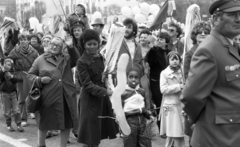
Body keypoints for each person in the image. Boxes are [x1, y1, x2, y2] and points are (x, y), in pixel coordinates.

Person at [181, 0, 240, 146]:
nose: (238, 19)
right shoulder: (209, 49)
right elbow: (191, 97)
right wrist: (196, 121)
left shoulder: (228, 45)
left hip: (229, 133)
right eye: (232, 15)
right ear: (215, 19)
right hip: (217, 136)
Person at [28, 36, 80, 147]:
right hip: (49, 96)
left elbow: (77, 59)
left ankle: (63, 146)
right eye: (53, 44)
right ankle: (41, 144)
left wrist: (71, 46)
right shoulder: (40, 59)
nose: (54, 46)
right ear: (49, 44)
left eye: (58, 45)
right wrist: (40, 80)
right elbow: (30, 75)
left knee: (66, 123)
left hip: (66, 96)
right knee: (45, 122)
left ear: (62, 48)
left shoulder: (66, 58)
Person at [77, 29, 117, 147]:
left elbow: (103, 74)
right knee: (90, 135)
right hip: (90, 100)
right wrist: (105, 91)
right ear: (84, 45)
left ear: (98, 44)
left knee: (97, 133)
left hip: (101, 98)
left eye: (95, 44)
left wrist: (108, 75)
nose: (92, 47)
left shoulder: (101, 57)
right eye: (89, 44)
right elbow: (87, 84)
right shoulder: (81, 61)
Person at [182, 21, 211, 142]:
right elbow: (188, 77)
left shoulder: (213, 50)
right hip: (196, 95)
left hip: (212, 96)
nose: (203, 34)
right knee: (194, 132)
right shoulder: (190, 54)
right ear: (194, 35)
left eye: (206, 32)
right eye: (200, 32)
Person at [8, 33, 39, 127]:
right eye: (21, 40)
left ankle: (37, 117)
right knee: (21, 98)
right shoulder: (15, 51)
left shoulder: (34, 51)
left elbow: (38, 63)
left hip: (32, 75)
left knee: (35, 95)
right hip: (21, 76)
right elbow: (8, 60)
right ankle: (23, 118)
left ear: (28, 40)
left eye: (24, 39)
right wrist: (10, 64)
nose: (22, 41)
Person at [122, 67, 154, 147]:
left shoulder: (142, 92)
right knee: (130, 144)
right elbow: (119, 113)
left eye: (136, 77)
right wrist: (139, 110)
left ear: (139, 79)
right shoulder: (123, 93)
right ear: (127, 78)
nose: (133, 79)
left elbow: (145, 108)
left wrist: (149, 115)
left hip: (143, 123)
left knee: (145, 144)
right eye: (131, 77)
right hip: (129, 124)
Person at [145, 32, 170, 130]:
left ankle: (168, 126)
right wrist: (153, 49)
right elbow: (150, 62)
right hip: (156, 81)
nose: (159, 40)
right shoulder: (153, 51)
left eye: (161, 39)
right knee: (159, 104)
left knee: (167, 104)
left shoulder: (169, 52)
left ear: (166, 42)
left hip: (168, 81)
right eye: (158, 38)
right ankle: (161, 127)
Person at [160, 51, 184, 147]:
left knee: (176, 133)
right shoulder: (164, 73)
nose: (174, 61)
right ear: (168, 60)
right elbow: (163, 89)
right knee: (175, 132)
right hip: (170, 105)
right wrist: (179, 86)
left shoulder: (182, 71)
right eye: (172, 59)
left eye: (176, 59)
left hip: (181, 104)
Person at [0, 58, 24, 132]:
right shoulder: (2, 72)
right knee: (7, 111)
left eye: (10, 65)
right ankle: (9, 125)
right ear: (4, 65)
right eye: (7, 64)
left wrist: (12, 77)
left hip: (13, 93)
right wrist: (3, 72)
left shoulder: (13, 72)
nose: (8, 66)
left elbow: (19, 79)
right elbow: (1, 78)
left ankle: (19, 124)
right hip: (5, 94)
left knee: (16, 110)